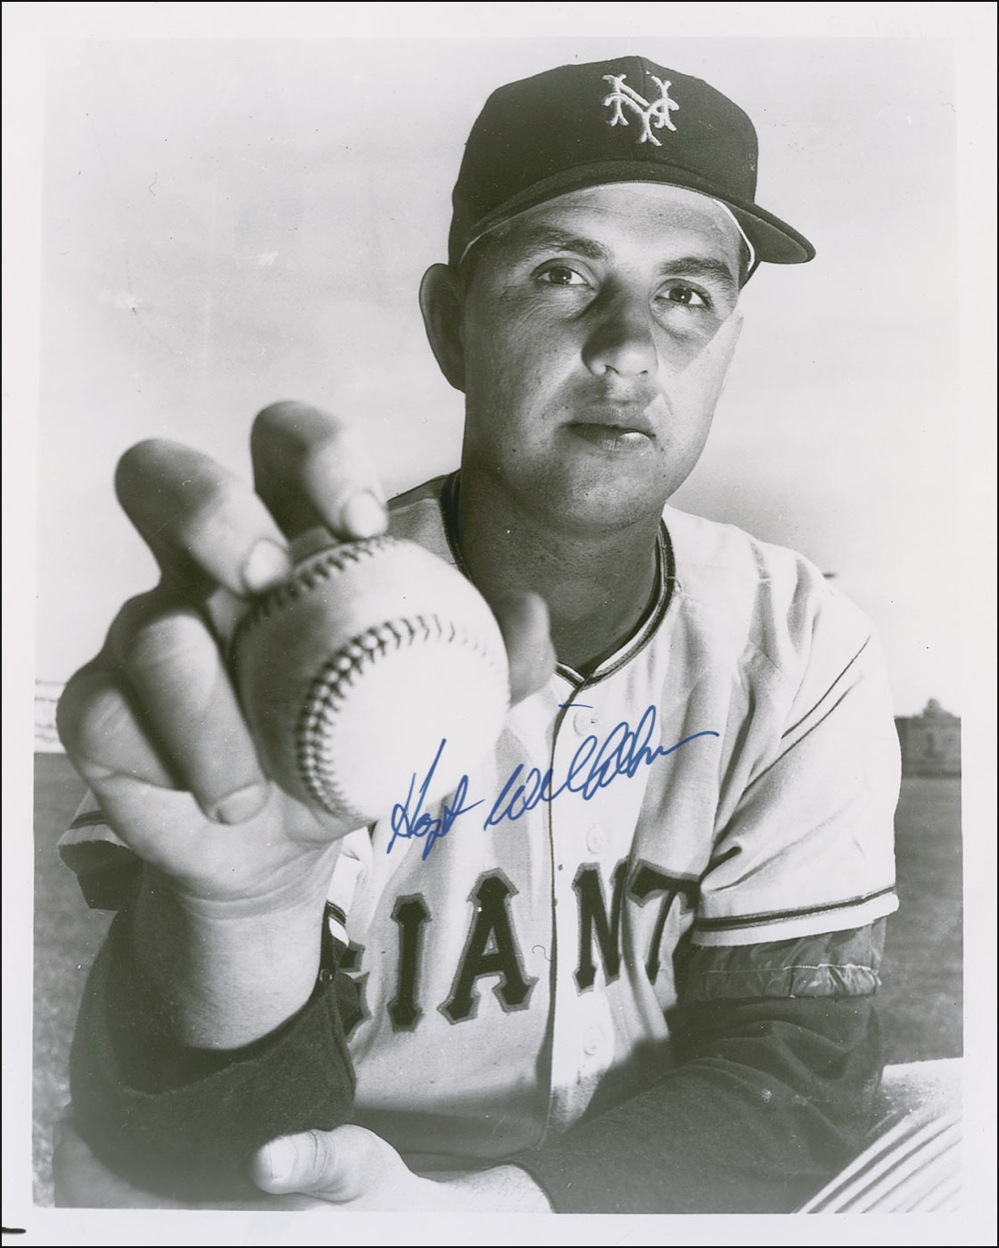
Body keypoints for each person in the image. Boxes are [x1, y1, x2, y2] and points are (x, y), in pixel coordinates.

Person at [54, 55, 903, 1214]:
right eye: (563, 274)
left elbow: (796, 1075)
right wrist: (243, 917)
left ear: (730, 341)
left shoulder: (800, 635)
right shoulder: (300, 646)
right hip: (339, 1202)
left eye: (686, 293)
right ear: (452, 324)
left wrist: (502, 1218)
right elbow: (224, 1146)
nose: (629, 346)